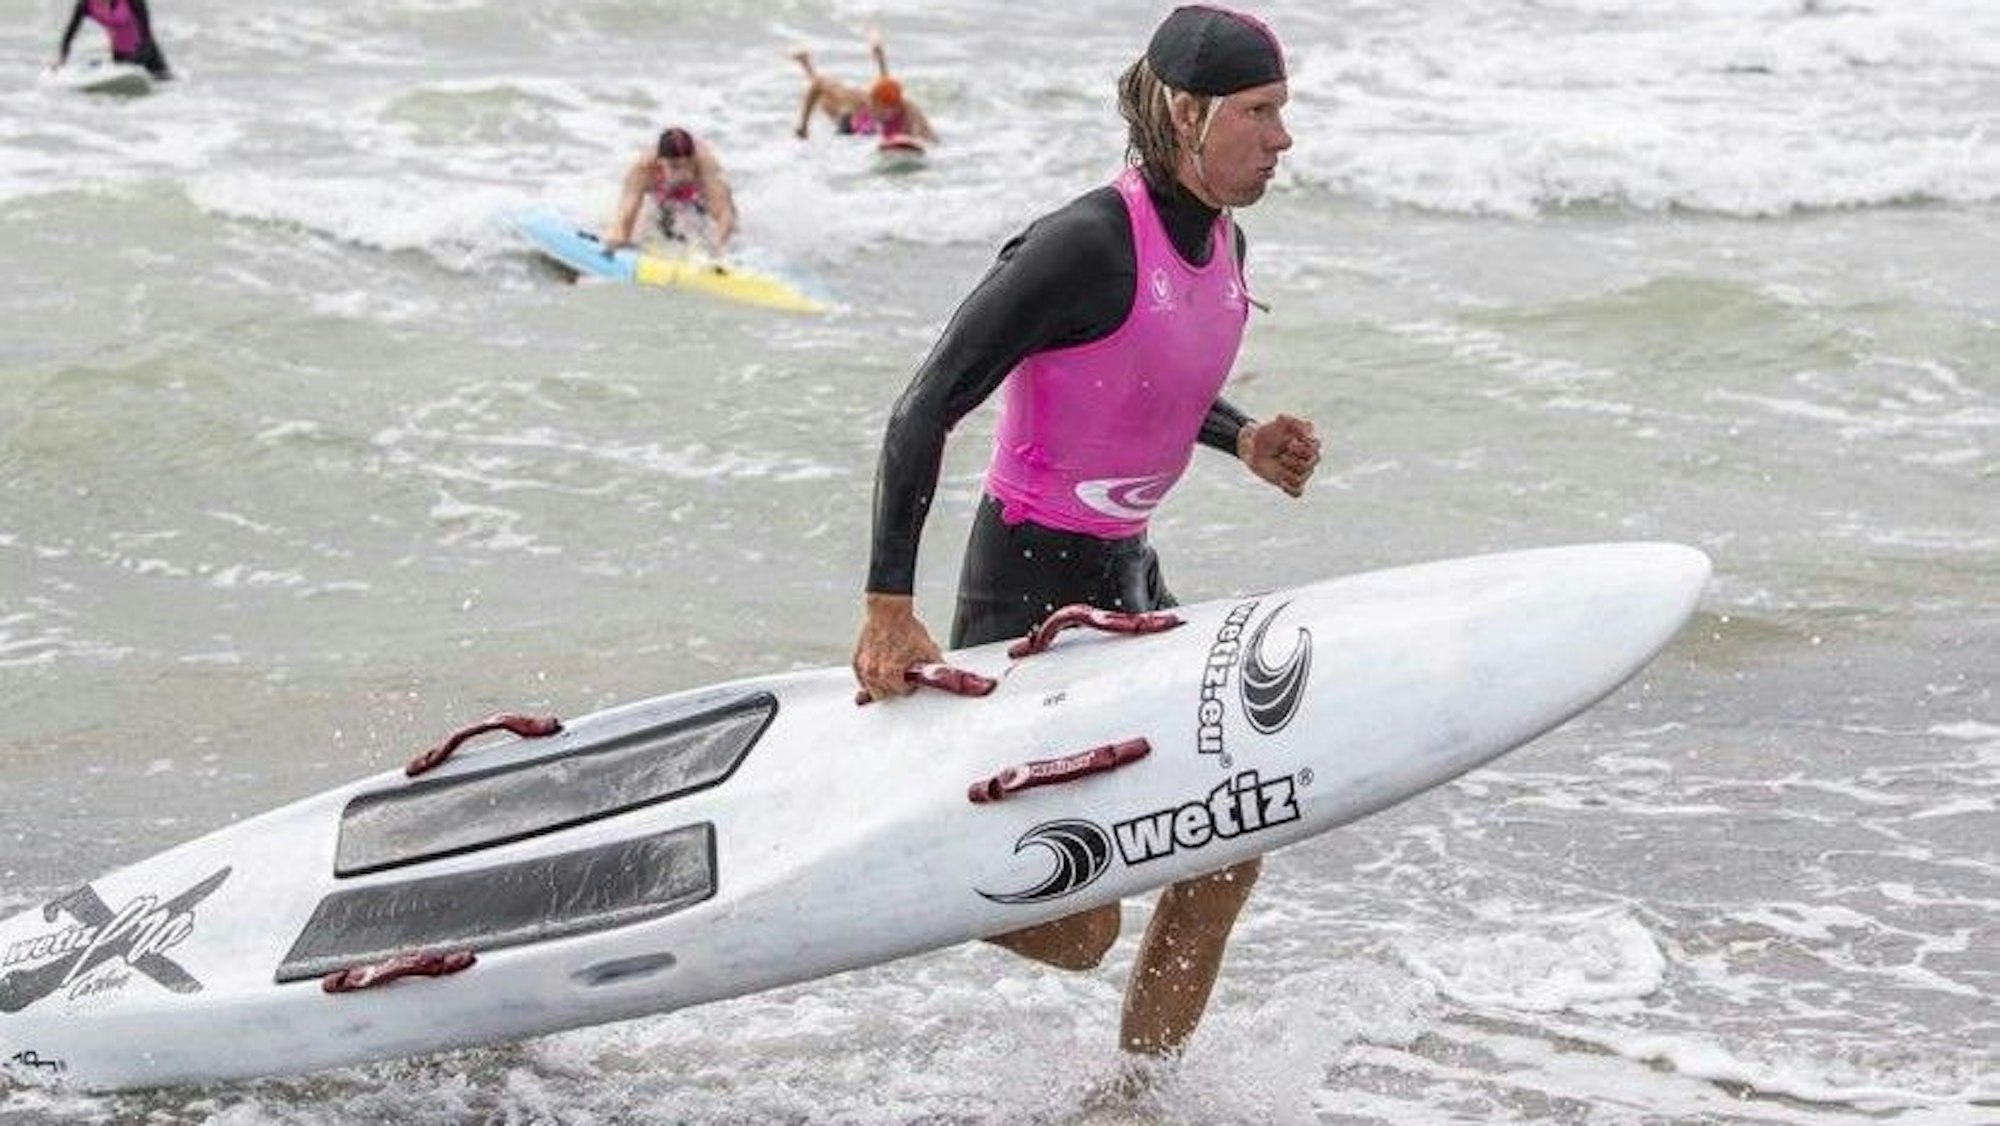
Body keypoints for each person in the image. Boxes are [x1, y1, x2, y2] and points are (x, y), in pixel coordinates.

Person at [850, 6, 1318, 1062]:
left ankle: (1140, 1096)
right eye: (1258, 113)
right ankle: (893, 872)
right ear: (1185, 113)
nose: (1281, 139)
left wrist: (1241, 437)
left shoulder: (1219, 240)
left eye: (1282, 113)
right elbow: (924, 405)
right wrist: (887, 606)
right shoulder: (1081, 244)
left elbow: (1135, 370)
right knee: (1078, 923)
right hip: (1025, 600)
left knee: (1227, 842)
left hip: (1127, 581)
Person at [602, 126, 736, 258]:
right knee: (654, 229)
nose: (683, 174)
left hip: (698, 196)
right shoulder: (643, 169)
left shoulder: (707, 164)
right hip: (663, 196)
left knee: (721, 231)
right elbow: (624, 217)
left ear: (693, 158)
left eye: (688, 164)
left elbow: (724, 214)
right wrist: (616, 246)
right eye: (674, 166)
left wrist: (716, 253)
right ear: (660, 161)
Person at [791, 27, 936, 142]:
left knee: (886, 85)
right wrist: (803, 125)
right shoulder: (854, 99)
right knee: (826, 103)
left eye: (892, 108)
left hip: (872, 120)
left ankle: (878, 52)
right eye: (884, 110)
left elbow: (929, 136)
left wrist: (920, 139)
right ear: (873, 102)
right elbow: (818, 84)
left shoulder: (906, 107)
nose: (888, 113)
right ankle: (805, 62)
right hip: (850, 119)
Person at [52, 0, 172, 80]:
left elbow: (147, 36)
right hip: (121, 58)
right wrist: (62, 59)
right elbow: (70, 33)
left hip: (149, 56)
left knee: (166, 86)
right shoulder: (85, 5)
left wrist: (136, 60)